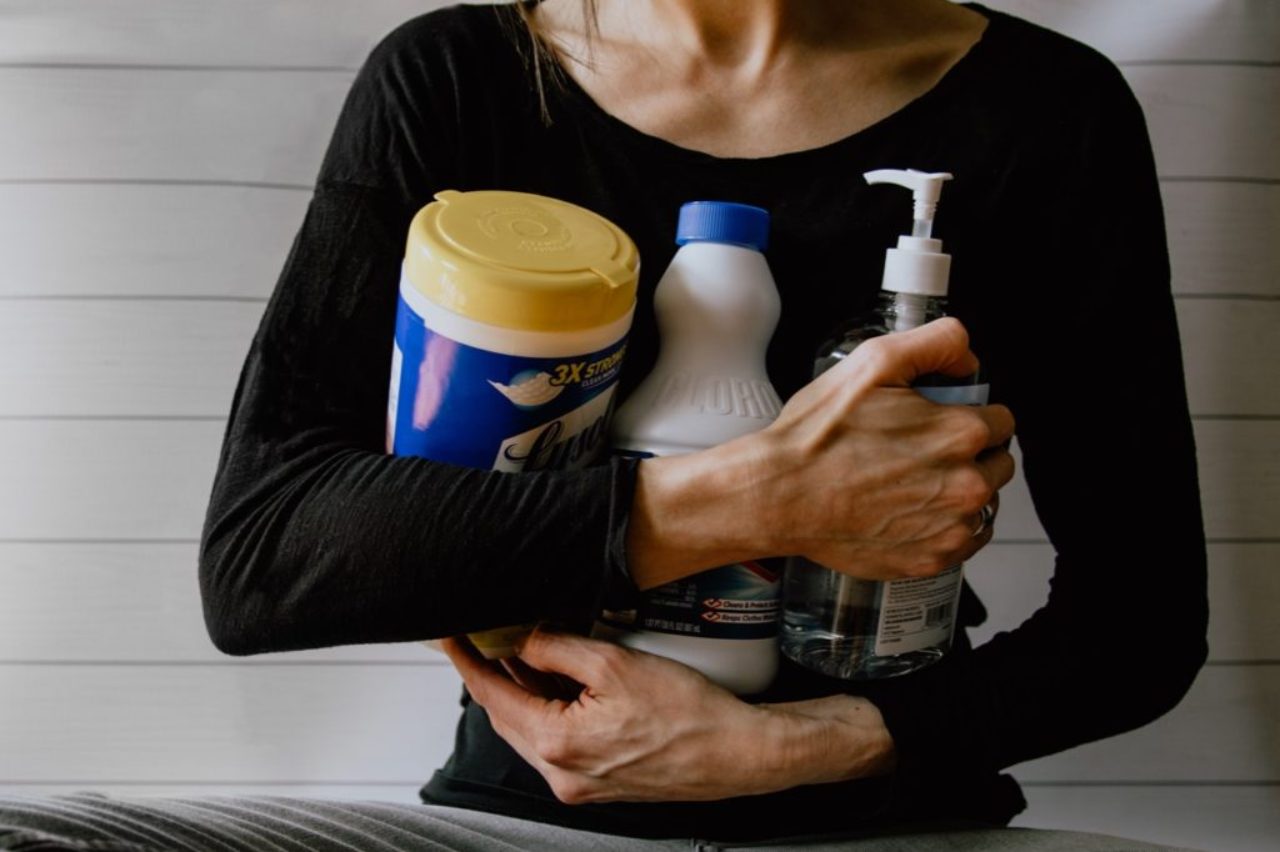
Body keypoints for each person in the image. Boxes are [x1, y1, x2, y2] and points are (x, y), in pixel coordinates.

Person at [0, 1, 1207, 850]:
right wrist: (755, 499)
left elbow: (1139, 625)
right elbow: (266, 561)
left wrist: (796, 748)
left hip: (893, 816)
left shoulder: (1045, 111)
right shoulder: (462, 77)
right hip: (529, 817)